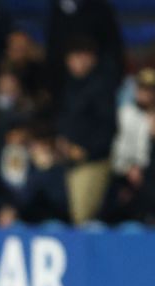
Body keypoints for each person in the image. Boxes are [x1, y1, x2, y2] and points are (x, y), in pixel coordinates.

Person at [55, 35, 116, 224]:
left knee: (81, 218)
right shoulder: (69, 86)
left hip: (92, 162)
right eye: (72, 57)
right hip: (67, 161)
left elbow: (109, 127)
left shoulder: (102, 87)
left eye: (80, 56)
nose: (75, 62)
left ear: (91, 58)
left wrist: (86, 151)